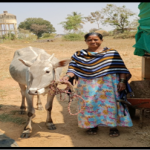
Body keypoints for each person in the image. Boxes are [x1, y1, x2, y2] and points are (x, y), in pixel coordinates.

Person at [60, 32, 133, 137]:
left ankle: (113, 127)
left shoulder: (112, 53)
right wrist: (67, 77)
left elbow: (121, 68)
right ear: (85, 41)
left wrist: (122, 82)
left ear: (101, 40)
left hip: (108, 84)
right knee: (88, 104)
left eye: (96, 39)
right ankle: (92, 125)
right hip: (86, 85)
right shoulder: (79, 54)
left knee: (110, 104)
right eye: (89, 40)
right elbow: (73, 69)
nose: (93, 41)